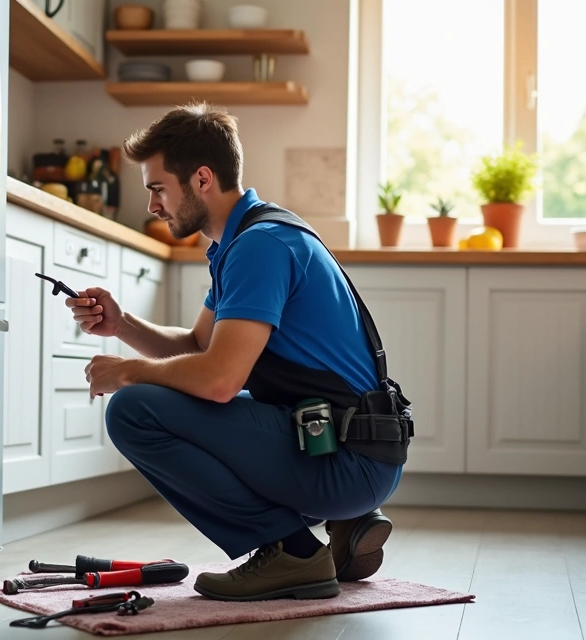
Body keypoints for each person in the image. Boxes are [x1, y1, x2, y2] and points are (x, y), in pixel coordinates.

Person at [63, 102, 413, 602]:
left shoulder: (259, 246)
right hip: (343, 442)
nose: (153, 206)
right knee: (169, 396)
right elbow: (198, 347)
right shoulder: (247, 238)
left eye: (158, 188)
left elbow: (219, 380)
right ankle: (348, 522)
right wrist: (121, 325)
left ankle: (295, 552)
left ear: (202, 179)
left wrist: (129, 373)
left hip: (346, 458)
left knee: (133, 410)